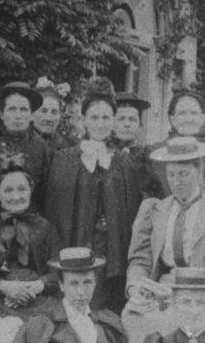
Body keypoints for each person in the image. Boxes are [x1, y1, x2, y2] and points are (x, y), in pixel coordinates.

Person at [43, 83, 140, 312]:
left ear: (113, 121)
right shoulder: (65, 159)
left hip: (112, 248)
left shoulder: (124, 161)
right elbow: (56, 212)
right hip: (77, 243)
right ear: (84, 120)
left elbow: (131, 211)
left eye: (106, 117)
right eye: (94, 117)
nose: (100, 124)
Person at [123, 136, 205, 343]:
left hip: (202, 294)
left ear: (199, 171)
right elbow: (140, 261)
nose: (176, 182)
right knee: (133, 314)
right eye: (171, 174)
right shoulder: (154, 209)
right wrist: (135, 286)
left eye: (183, 174)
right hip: (160, 290)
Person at [0, 155, 63, 318]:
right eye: (8, 190)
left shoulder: (46, 227)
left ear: (31, 190)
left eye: (22, 189)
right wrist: (3, 286)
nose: (16, 197)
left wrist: (37, 286)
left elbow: (59, 270)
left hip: (38, 299)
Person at [147, 86, 205, 198]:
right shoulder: (155, 155)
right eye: (182, 113)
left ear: (202, 118)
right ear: (173, 119)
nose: (188, 119)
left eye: (193, 113)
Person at [0, 82, 53, 213]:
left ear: (31, 115)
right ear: (2, 114)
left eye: (23, 109)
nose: (18, 115)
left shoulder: (43, 148)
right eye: (12, 109)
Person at [111, 92, 158, 201]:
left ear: (140, 125)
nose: (127, 124)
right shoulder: (103, 154)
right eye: (121, 119)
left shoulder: (147, 157)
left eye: (132, 119)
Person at [32, 77, 75, 152]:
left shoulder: (68, 148)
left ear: (60, 116)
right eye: (43, 111)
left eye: (54, 112)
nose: (49, 118)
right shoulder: (20, 145)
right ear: (32, 113)